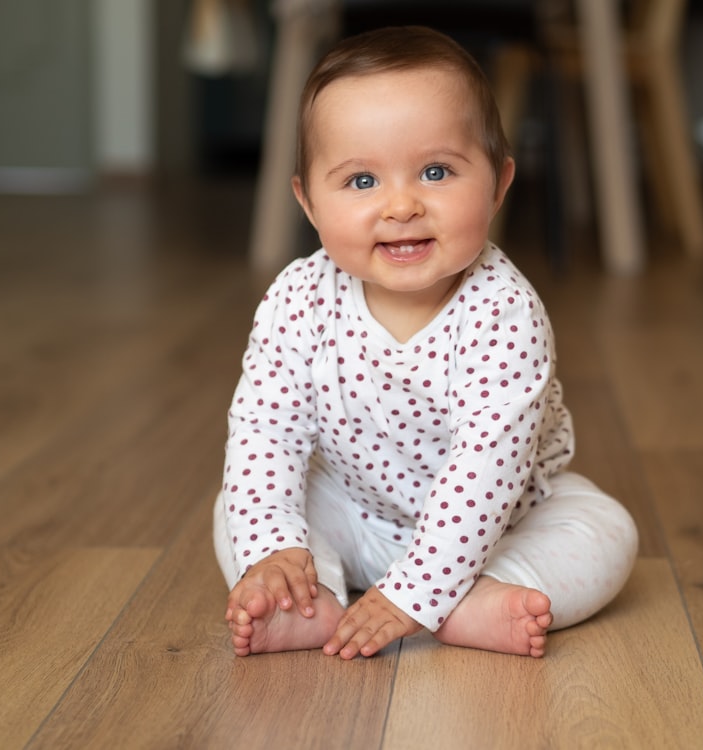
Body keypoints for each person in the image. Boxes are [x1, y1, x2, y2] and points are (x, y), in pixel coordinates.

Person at [214, 25, 637, 660]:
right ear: (307, 202)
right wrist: (275, 548)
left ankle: (479, 597)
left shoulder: (504, 311)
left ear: (497, 184)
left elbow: (487, 467)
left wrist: (419, 591)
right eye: (361, 182)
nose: (402, 204)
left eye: (436, 171)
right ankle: (309, 598)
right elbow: (264, 431)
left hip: (501, 525)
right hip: (354, 510)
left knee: (607, 531)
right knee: (238, 506)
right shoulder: (298, 299)